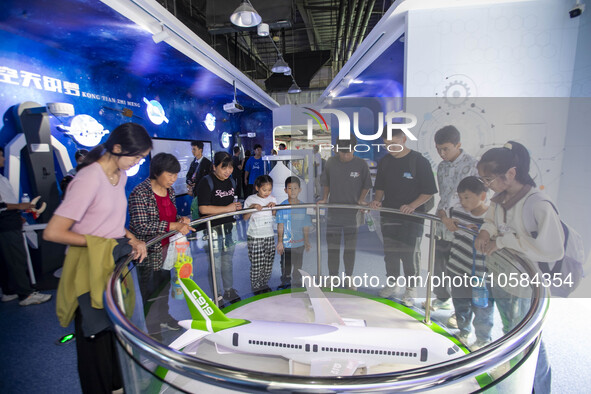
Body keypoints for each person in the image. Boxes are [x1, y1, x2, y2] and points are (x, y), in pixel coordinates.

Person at [43, 122, 151, 394]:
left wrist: (131, 238)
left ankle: (117, 384)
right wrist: (100, 244)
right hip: (88, 267)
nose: (137, 162)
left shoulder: (120, 175)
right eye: (135, 157)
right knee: (94, 334)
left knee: (114, 329)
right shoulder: (89, 178)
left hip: (110, 263)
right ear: (116, 148)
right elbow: (54, 232)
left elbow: (112, 221)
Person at [474, 141, 564, 394]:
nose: (486, 185)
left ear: (510, 174)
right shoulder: (499, 198)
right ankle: (517, 374)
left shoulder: (538, 204)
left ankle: (539, 386)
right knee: (512, 329)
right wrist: (484, 232)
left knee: (530, 339)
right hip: (503, 278)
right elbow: (491, 221)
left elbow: (553, 249)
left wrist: (501, 241)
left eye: (489, 178)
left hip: (526, 287)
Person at [128, 153, 195, 334]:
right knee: (150, 293)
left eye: (175, 175)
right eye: (170, 174)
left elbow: (170, 217)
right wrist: (173, 224)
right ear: (157, 172)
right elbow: (140, 227)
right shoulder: (140, 193)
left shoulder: (170, 191)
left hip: (169, 249)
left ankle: (164, 317)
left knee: (163, 288)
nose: (173, 179)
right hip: (148, 253)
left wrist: (180, 220)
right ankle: (152, 328)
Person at [370, 128, 437, 306]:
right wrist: (377, 201)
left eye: (393, 144)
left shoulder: (419, 161)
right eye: (386, 145)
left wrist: (412, 206)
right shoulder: (384, 162)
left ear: (404, 139)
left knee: (410, 253)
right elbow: (380, 186)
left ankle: (411, 288)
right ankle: (392, 282)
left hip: (412, 217)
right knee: (390, 252)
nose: (390, 148)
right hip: (389, 214)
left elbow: (429, 191)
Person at [429, 126, 479, 314]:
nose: (441, 154)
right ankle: (442, 299)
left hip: (463, 228)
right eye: (438, 149)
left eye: (446, 149)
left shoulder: (473, 165)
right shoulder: (441, 167)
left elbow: (475, 201)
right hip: (442, 225)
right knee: (439, 266)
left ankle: (461, 315)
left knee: (460, 272)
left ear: (458, 144)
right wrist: (443, 217)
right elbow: (444, 197)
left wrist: (456, 221)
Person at [0, 147, 52, 306]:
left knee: (8, 259)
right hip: (5, 225)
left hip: (10, 221)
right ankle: (26, 294)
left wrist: (18, 215)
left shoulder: (2, 178)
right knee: (17, 259)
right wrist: (20, 207)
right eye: (1, 155)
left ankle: (10, 291)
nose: (3, 158)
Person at [447, 176, 494, 351]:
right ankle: (463, 331)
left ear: (482, 196)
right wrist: (446, 219)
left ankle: (483, 339)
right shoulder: (457, 211)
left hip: (480, 274)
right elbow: (444, 213)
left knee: (482, 308)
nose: (463, 201)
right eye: (460, 197)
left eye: (467, 197)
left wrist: (483, 234)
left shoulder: (490, 219)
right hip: (457, 267)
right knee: (460, 302)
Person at [318, 138, 371, 285]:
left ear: (354, 149)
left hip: (352, 214)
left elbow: (367, 184)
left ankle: (349, 276)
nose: (345, 156)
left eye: (348, 153)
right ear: (337, 150)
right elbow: (326, 182)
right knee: (332, 247)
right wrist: (324, 198)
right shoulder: (331, 162)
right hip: (334, 213)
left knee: (350, 248)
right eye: (342, 153)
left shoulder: (361, 164)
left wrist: (361, 199)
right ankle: (333, 276)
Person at [197, 151, 242, 303]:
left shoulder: (231, 181)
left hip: (229, 228)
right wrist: (228, 208)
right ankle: (217, 295)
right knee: (215, 265)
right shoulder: (206, 182)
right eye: (224, 168)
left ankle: (228, 290)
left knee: (227, 261)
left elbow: (230, 204)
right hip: (212, 230)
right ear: (214, 167)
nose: (228, 171)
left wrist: (235, 207)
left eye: (230, 168)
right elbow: (203, 209)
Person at [276, 176, 312, 289]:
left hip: (299, 243)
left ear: (300, 190)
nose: (293, 191)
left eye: (295, 188)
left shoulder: (303, 207)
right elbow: (280, 225)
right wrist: (280, 242)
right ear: (285, 190)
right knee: (286, 265)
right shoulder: (282, 206)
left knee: (298, 265)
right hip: (286, 244)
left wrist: (306, 241)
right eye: (290, 188)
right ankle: (285, 281)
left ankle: (297, 280)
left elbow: (306, 225)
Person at [243, 175, 277, 294]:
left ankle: (264, 283)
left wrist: (274, 208)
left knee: (268, 262)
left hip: (269, 235)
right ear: (257, 187)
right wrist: (252, 208)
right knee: (257, 263)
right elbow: (245, 218)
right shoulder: (250, 199)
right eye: (264, 190)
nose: (267, 193)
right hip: (255, 236)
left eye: (269, 189)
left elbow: (274, 216)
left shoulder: (272, 199)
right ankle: (256, 285)